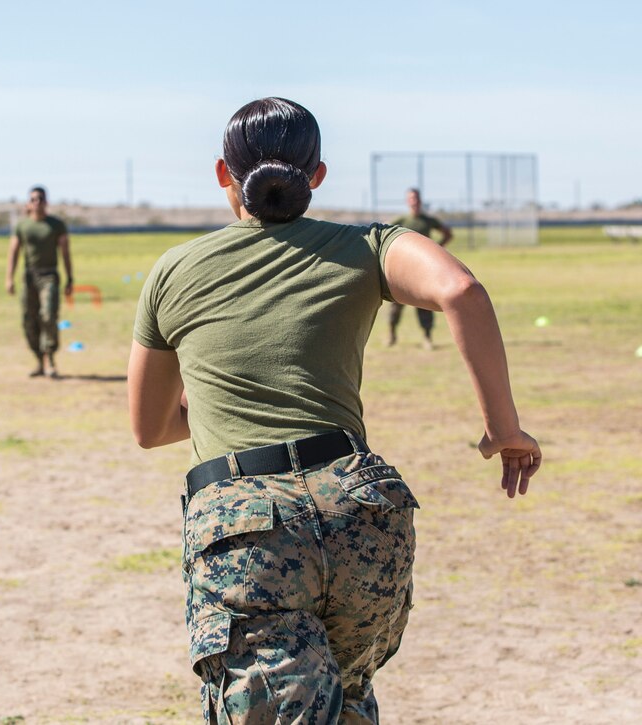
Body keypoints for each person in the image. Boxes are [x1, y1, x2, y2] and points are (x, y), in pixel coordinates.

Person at [127, 98, 540, 723]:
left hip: (249, 530)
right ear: (317, 175)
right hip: (364, 512)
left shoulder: (174, 270)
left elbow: (149, 428)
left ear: (222, 173)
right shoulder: (369, 247)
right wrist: (503, 430)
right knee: (347, 700)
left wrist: (214, 397)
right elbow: (460, 289)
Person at [5, 186, 74, 378]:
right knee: (29, 319)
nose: (37, 202)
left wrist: (70, 279)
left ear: (46, 202)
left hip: (50, 275)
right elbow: (14, 252)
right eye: (33, 199)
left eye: (41, 199)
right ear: (29, 203)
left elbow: (65, 252)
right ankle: (38, 359)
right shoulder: (22, 226)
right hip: (29, 277)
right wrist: (9, 278)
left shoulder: (56, 225)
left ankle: (50, 358)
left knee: (48, 315)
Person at [387, 188, 453, 349]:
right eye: (411, 198)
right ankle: (392, 335)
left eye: (416, 198)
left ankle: (427, 337)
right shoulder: (401, 220)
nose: (414, 201)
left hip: (423, 270)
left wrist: (437, 248)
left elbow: (447, 233)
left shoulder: (427, 221)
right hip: (402, 269)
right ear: (407, 201)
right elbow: (384, 235)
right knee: (396, 302)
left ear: (420, 200)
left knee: (424, 303)